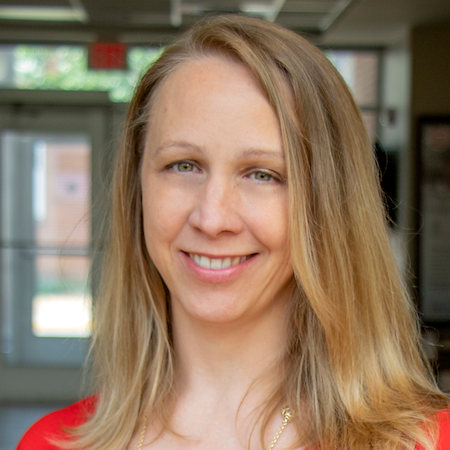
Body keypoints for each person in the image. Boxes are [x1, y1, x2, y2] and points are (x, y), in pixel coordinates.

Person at [17, 14, 450, 450]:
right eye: (183, 165)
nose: (212, 217)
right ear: (138, 189)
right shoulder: (50, 443)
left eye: (262, 174)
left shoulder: (430, 442)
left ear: (329, 206)